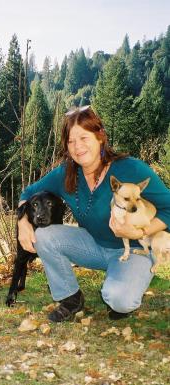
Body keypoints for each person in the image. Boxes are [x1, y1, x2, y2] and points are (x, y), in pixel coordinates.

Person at [18, 106, 170, 322]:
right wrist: (22, 221)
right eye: (71, 141)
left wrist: (141, 231)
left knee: (119, 299)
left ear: (100, 137)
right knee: (44, 236)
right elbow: (28, 192)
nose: (78, 147)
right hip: (92, 245)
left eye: (83, 137)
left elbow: (168, 208)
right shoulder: (66, 173)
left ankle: (122, 282)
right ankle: (70, 298)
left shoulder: (131, 170)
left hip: (135, 250)